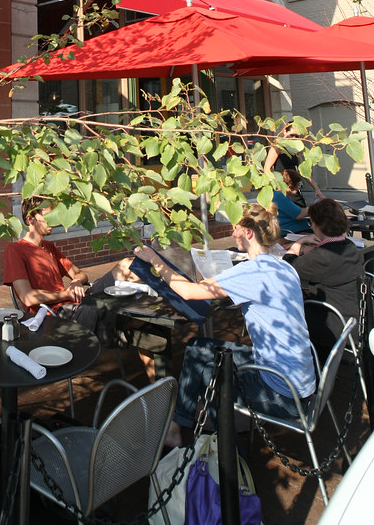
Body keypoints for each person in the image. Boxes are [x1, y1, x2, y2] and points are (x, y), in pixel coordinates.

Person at [133, 202, 316, 449]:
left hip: (282, 394)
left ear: (248, 232)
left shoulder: (252, 273)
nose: (232, 234)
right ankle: (178, 425)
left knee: (210, 375)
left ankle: (230, 461)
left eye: (235, 228)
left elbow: (188, 291)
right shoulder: (284, 266)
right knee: (198, 346)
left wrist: (153, 258)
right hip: (301, 381)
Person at [3, 196, 134, 333]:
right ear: (30, 219)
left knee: (126, 265)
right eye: (50, 216)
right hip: (55, 313)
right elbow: (28, 298)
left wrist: (76, 282)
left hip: (77, 301)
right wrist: (67, 294)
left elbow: (80, 274)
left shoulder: (49, 247)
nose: (56, 220)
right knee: (107, 309)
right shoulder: (15, 250)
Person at [284, 198, 363, 355]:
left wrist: (299, 243)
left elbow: (289, 266)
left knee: (285, 312)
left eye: (311, 223)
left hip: (332, 326)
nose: (311, 227)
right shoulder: (350, 247)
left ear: (320, 225)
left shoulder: (322, 258)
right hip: (355, 319)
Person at [264, 121, 325, 201]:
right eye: (292, 135)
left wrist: (316, 188)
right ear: (285, 131)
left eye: (297, 136)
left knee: (302, 209)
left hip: (294, 187)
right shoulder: (277, 147)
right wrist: (278, 186)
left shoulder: (295, 149)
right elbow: (266, 169)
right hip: (282, 189)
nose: (294, 138)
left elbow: (303, 171)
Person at [273, 168, 314, 235]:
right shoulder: (280, 196)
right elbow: (298, 214)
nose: (298, 188)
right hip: (290, 232)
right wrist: (315, 208)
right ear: (290, 185)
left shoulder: (277, 195)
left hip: (290, 230)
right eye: (298, 185)